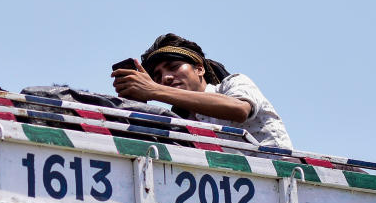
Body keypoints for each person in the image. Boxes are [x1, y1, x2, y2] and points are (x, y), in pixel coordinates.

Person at [111, 33, 292, 149]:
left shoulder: (233, 84)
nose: (165, 78)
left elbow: (239, 109)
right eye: (157, 76)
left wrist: (154, 90)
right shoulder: (177, 124)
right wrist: (137, 107)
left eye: (173, 67)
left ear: (199, 69)